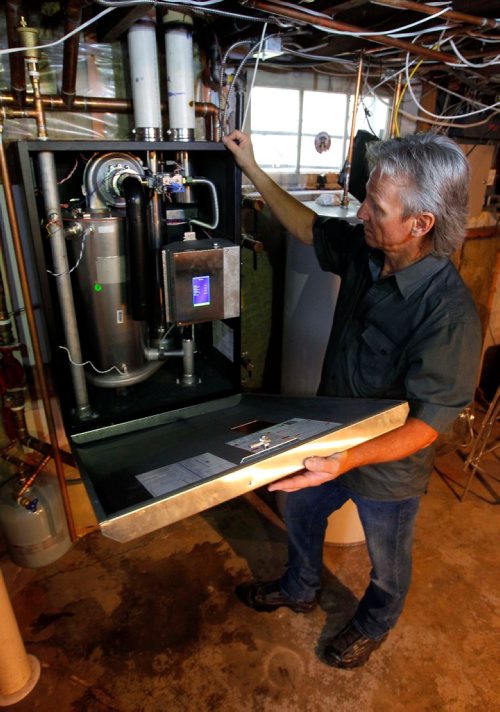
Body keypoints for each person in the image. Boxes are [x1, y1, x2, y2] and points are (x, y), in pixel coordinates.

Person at [222, 129, 482, 669]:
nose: (362, 212)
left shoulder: (448, 315)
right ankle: (300, 587)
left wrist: (343, 460)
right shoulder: (369, 251)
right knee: (298, 505)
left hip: (389, 468)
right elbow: (305, 225)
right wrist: (249, 165)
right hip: (333, 436)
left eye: (376, 205)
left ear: (420, 224)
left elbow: (426, 426)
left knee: (387, 563)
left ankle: (374, 621)